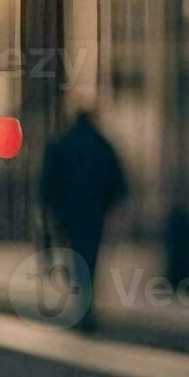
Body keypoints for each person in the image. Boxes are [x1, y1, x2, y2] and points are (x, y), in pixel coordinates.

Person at [40, 111, 128, 330]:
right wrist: (106, 204)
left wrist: (51, 209)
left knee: (76, 257)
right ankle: (85, 307)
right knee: (90, 258)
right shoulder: (101, 145)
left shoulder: (62, 144)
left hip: (67, 214)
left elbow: (48, 184)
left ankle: (82, 305)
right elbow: (118, 182)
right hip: (94, 213)